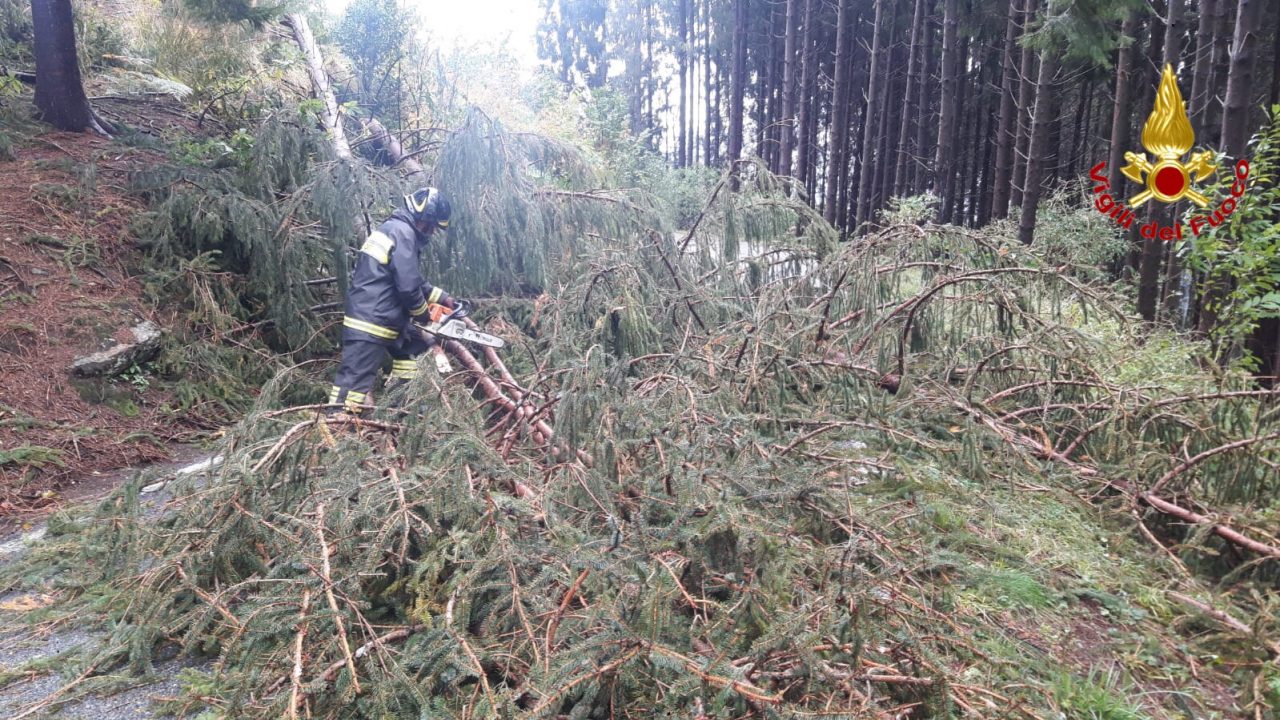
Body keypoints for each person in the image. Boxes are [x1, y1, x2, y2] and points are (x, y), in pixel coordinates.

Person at [328, 187, 458, 414]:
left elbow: (410, 279)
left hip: (386, 317)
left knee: (415, 347)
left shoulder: (396, 230)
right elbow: (408, 288)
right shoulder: (403, 233)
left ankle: (401, 408)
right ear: (423, 216)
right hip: (370, 321)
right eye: (431, 226)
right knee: (353, 383)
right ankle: (338, 422)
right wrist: (425, 316)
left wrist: (444, 298)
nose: (431, 232)